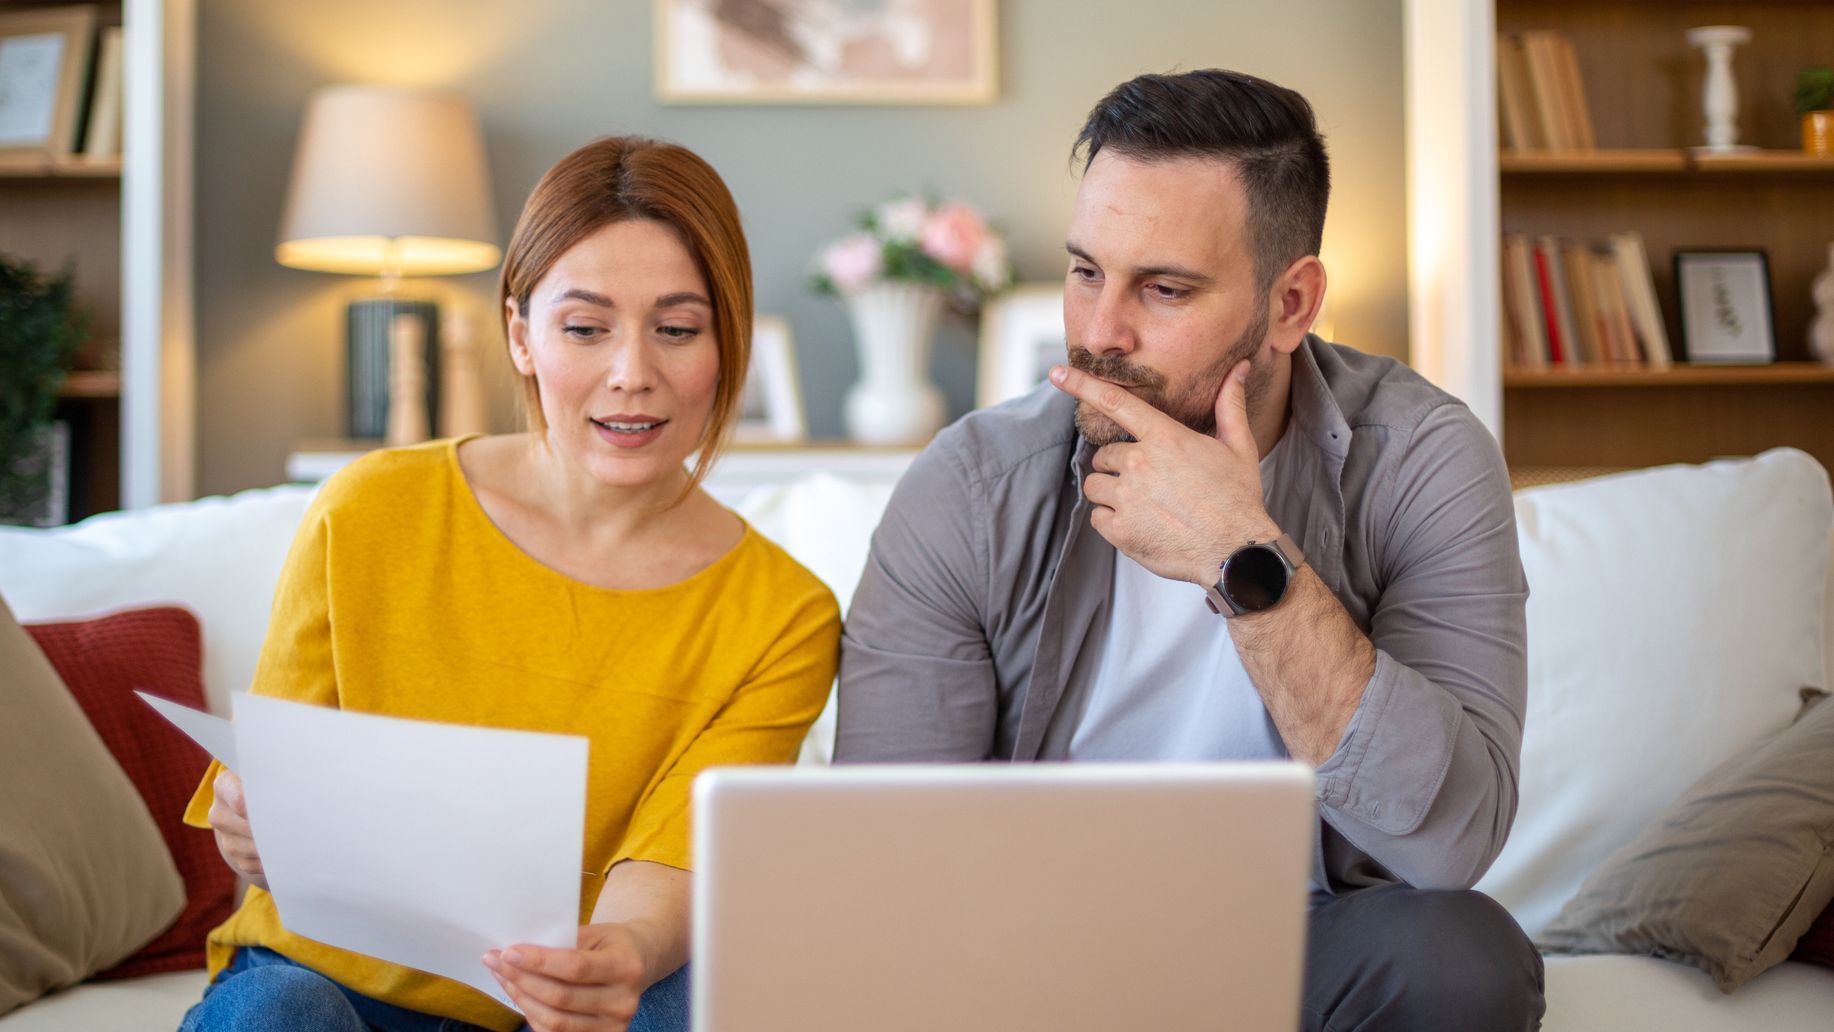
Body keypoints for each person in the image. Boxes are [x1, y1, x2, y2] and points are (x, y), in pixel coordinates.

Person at [835, 69, 1544, 1030]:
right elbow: (886, 861)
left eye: (1164, 289)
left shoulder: (1423, 458)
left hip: (1302, 940)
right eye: (1086, 272)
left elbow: (1449, 843)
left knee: (1464, 958)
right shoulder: (970, 488)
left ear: (1291, 304)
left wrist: (1242, 554)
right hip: (1027, 953)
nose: (1099, 334)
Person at [178, 136, 841, 1032]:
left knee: (679, 1001)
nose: (632, 373)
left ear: (730, 345)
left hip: (565, 1004)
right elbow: (268, 794)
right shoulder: (370, 510)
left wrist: (622, 956)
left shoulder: (782, 614)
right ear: (520, 335)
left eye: (677, 329)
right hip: (327, 989)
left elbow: (671, 868)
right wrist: (252, 832)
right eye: (585, 327)